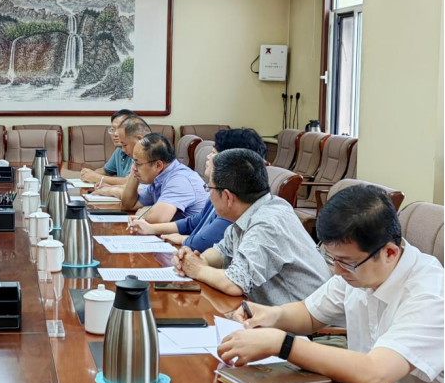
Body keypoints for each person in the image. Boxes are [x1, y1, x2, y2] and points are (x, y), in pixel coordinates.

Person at [219, 186, 443, 383]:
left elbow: (375, 374)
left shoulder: (431, 296)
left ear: (390, 253)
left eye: (346, 262)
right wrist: (270, 315)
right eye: (333, 259)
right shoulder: (360, 268)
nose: (337, 271)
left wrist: (281, 344)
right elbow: (309, 314)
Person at [172, 149, 331, 305]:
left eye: (209, 188)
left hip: (304, 319)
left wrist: (198, 269)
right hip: (271, 313)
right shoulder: (251, 211)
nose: (209, 194)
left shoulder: (267, 224)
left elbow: (234, 283)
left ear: (227, 197)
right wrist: (196, 260)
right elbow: (222, 251)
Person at [129, 128, 267, 252]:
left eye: (213, 153)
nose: (208, 156)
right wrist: (151, 228)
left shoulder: (234, 199)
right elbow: (195, 221)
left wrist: (184, 239)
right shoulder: (218, 189)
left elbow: (203, 242)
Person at [119, 132, 208, 224]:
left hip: (193, 233)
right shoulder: (159, 178)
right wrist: (135, 171)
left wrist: (146, 212)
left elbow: (157, 219)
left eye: (138, 163)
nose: (134, 168)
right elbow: (128, 205)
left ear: (158, 165)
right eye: (134, 162)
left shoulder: (180, 180)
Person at [91, 118, 151, 199]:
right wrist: (109, 187)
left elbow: (143, 194)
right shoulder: (137, 161)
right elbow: (136, 188)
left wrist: (112, 190)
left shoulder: (153, 161)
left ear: (139, 140)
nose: (123, 150)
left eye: (125, 145)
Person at [80, 109, 137, 186]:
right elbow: (106, 171)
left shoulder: (140, 151)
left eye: (120, 129)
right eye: (112, 129)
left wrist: (96, 177)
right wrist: (88, 174)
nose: (115, 134)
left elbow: (130, 182)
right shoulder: (119, 150)